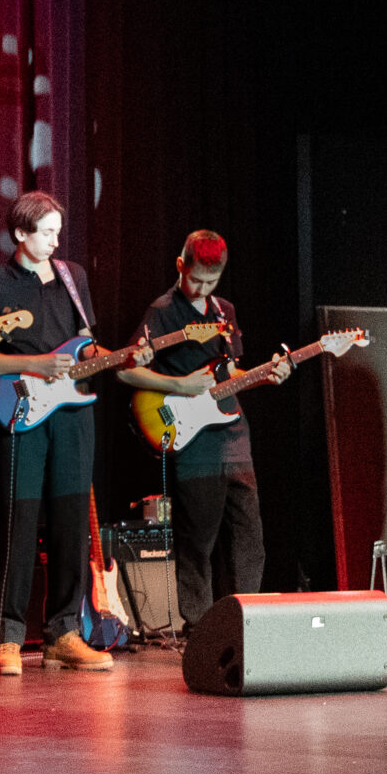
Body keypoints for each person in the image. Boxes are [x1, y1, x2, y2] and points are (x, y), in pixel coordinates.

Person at [0, 191, 144, 676]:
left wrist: (120, 356)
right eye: (46, 233)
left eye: (58, 232)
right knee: (19, 523)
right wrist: (33, 363)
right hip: (22, 408)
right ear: (20, 234)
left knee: (70, 522)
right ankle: (7, 638)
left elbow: (86, 345)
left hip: (73, 411)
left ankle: (64, 634)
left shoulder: (72, 276)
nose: (56, 241)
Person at [117, 230, 289, 628]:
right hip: (193, 441)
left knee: (249, 539)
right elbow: (126, 372)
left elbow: (230, 374)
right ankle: (200, 630)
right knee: (197, 542)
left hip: (234, 437)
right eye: (196, 280)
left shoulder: (224, 310)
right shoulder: (162, 311)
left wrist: (267, 376)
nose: (202, 289)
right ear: (181, 265)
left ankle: (246, 624)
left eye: (212, 282)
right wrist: (179, 385)